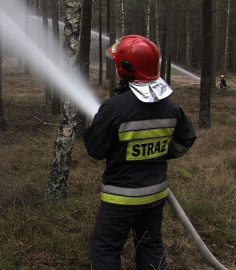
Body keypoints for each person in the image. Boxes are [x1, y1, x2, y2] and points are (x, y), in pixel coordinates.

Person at [83, 35, 197, 270]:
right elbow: (186, 139)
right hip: (155, 196)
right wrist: (163, 153)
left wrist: (92, 129)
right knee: (150, 245)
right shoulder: (171, 107)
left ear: (124, 68)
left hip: (120, 197)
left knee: (105, 247)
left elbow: (95, 150)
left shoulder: (114, 108)